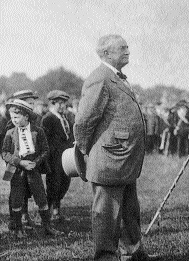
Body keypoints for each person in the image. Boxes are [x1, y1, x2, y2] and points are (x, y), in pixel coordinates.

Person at [74, 34, 155, 260]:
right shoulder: (100, 78)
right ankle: (107, 257)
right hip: (110, 159)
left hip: (123, 159)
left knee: (130, 211)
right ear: (106, 53)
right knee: (107, 215)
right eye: (123, 48)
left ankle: (133, 252)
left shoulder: (115, 77)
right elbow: (83, 121)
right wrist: (84, 150)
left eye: (128, 47)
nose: (128, 51)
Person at [2, 99, 62, 238]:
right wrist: (19, 162)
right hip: (17, 171)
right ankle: (18, 228)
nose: (14, 120)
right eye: (12, 117)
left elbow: (45, 150)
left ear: (26, 116)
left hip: (33, 170)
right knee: (17, 199)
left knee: (41, 197)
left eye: (17, 117)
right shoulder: (10, 133)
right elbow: (5, 153)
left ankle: (47, 227)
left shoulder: (38, 131)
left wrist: (36, 162)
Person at [41, 90, 74, 221]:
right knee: (53, 184)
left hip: (66, 158)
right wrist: (46, 159)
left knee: (64, 183)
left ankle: (57, 208)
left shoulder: (65, 119)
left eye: (63, 104)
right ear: (52, 104)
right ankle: (49, 211)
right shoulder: (48, 119)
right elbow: (44, 140)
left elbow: (69, 136)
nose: (61, 106)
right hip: (53, 158)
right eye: (58, 104)